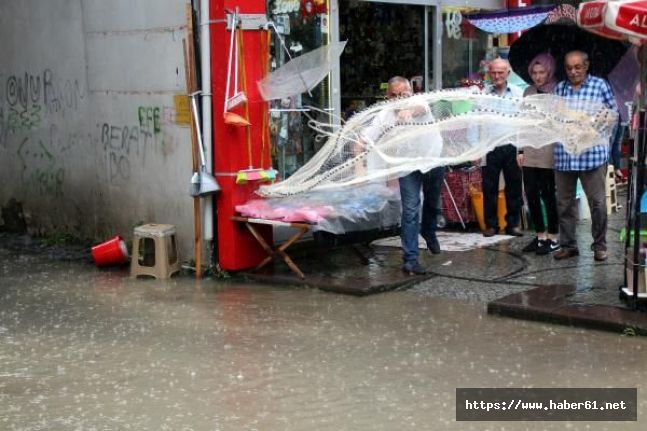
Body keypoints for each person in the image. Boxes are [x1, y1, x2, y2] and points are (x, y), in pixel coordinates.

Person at [362, 76, 444, 275]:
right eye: (395, 95)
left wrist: (409, 110)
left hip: (431, 158)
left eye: (404, 94)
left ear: (411, 93)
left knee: (432, 203)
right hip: (407, 165)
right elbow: (368, 136)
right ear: (388, 96)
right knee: (410, 209)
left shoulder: (418, 101)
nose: (400, 99)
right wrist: (358, 147)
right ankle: (410, 259)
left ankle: (429, 230)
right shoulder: (384, 115)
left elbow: (420, 109)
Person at [552, 50, 619, 261]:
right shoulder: (559, 88)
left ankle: (599, 245)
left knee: (598, 203)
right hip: (565, 155)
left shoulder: (600, 85)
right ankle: (568, 244)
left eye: (578, 67)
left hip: (592, 155)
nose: (573, 72)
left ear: (586, 66)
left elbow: (614, 115)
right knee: (564, 203)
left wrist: (593, 128)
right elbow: (552, 118)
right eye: (569, 68)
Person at [518, 53, 561, 255]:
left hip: (549, 150)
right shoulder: (527, 92)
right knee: (532, 194)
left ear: (549, 71)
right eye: (534, 72)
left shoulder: (557, 90)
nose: (537, 76)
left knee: (548, 195)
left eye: (542, 72)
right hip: (529, 149)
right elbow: (522, 121)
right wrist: (519, 149)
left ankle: (553, 237)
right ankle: (540, 236)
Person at [481, 58, 524, 238]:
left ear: (508, 73)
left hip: (512, 145)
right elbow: (476, 122)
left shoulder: (518, 93)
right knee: (489, 187)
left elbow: (523, 123)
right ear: (489, 73)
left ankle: (512, 224)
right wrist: (477, 148)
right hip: (490, 146)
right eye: (493, 72)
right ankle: (491, 225)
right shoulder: (482, 94)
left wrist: (522, 150)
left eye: (501, 72)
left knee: (513, 187)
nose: (497, 76)